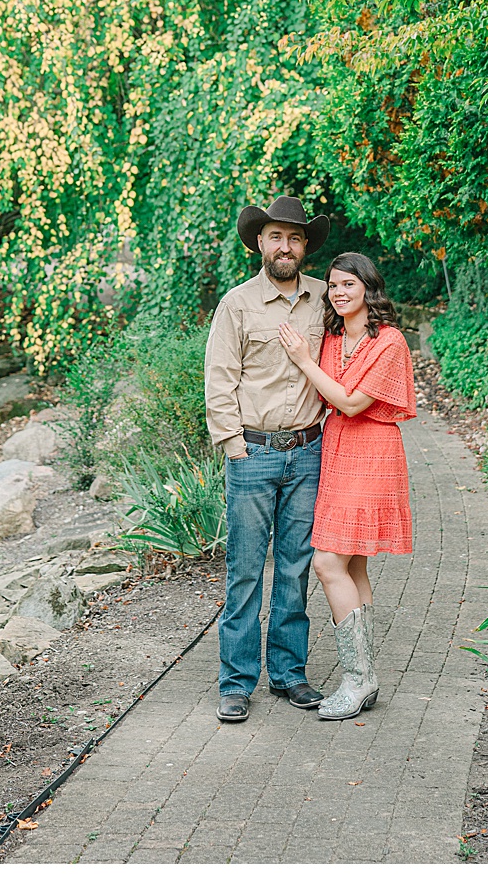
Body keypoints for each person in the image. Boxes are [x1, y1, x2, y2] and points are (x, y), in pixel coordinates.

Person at [204, 196, 331, 724]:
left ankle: (289, 674)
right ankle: (236, 682)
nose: (286, 246)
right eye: (276, 236)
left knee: (295, 570)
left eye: (295, 238)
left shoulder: (324, 298)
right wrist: (233, 445)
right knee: (245, 573)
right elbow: (219, 378)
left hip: (307, 453)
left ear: (304, 247)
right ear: (260, 242)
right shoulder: (237, 304)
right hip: (252, 453)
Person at [278, 251, 415, 721]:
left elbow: (353, 403)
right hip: (336, 451)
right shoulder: (334, 338)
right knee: (353, 565)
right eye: (333, 285)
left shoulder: (389, 341)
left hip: (372, 452)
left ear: (368, 289)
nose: (338, 292)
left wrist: (302, 360)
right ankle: (366, 678)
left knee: (326, 562)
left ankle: (357, 679)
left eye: (348, 284)